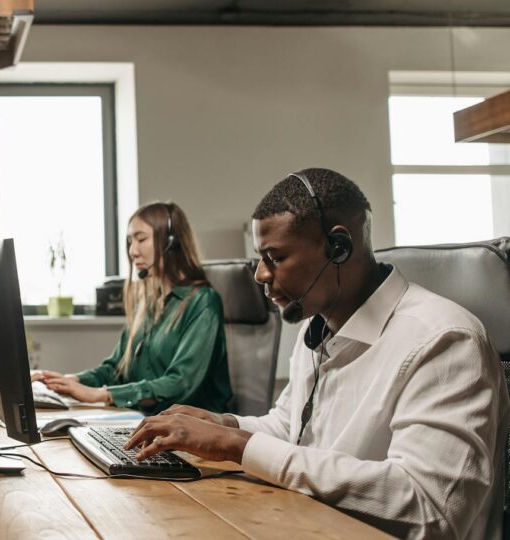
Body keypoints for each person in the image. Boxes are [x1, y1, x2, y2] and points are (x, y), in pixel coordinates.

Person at [124, 168, 508, 538]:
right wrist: (223, 426)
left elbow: (429, 508)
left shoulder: (443, 340)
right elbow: (291, 430)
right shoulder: (317, 326)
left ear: (338, 247)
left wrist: (237, 446)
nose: (259, 273)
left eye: (275, 257)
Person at [33, 202, 233, 414]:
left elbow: (181, 383)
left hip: (192, 428)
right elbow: (116, 370)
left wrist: (102, 395)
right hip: (144, 419)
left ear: (171, 242)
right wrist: (69, 381)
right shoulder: (147, 303)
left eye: (141, 239)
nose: (132, 251)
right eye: (130, 241)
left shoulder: (203, 301)